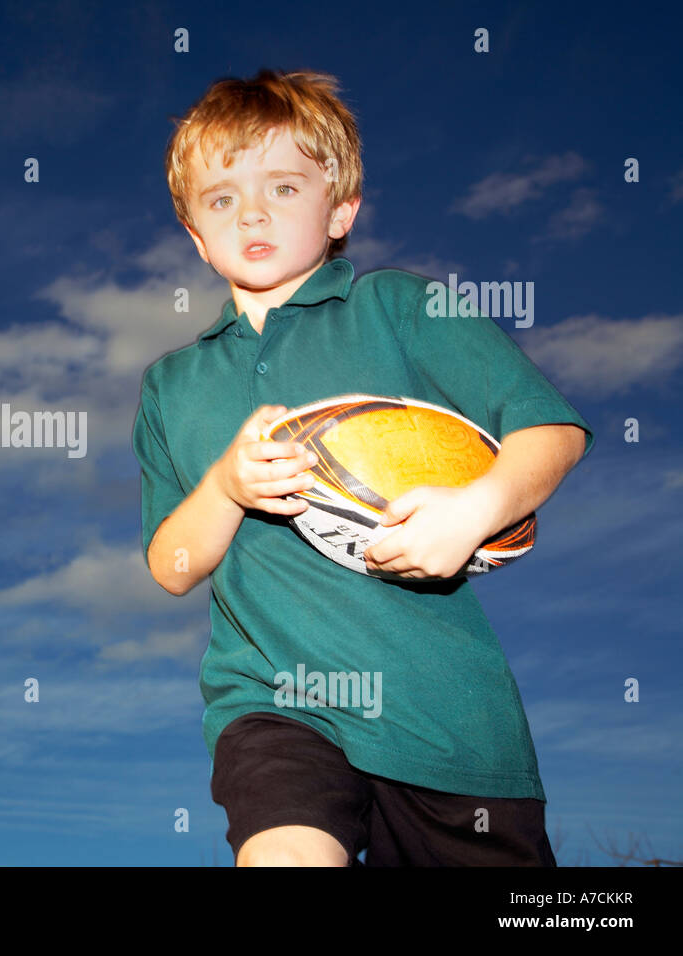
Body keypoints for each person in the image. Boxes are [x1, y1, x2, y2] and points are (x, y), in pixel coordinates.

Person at [132, 69, 595, 866]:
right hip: (275, 705)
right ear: (195, 236)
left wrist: (477, 508)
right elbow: (172, 567)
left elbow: (550, 429)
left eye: (282, 186)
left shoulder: (402, 308)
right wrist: (226, 487)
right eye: (220, 199)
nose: (250, 212)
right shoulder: (171, 385)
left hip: (447, 718)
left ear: (340, 209)